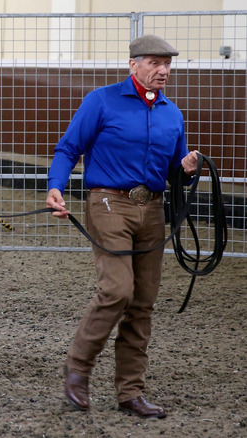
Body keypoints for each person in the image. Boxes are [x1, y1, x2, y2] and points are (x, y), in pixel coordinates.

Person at [46, 34, 200, 419]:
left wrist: (187, 169)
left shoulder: (172, 113)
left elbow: (174, 173)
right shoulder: (101, 100)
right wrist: (55, 187)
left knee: (143, 302)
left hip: (152, 210)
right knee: (117, 289)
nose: (163, 70)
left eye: (167, 64)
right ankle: (78, 367)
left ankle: (130, 391)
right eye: (154, 62)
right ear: (133, 65)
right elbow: (68, 148)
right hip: (108, 203)